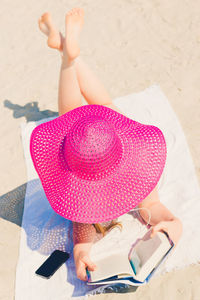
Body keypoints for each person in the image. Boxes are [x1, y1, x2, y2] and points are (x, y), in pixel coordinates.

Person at [37, 7, 183, 282]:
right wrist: (81, 258)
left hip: (105, 135)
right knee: (79, 113)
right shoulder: (100, 194)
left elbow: (83, 241)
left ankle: (66, 54)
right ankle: (66, 54)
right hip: (105, 137)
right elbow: (82, 242)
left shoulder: (135, 178)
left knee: (74, 116)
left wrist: (169, 229)